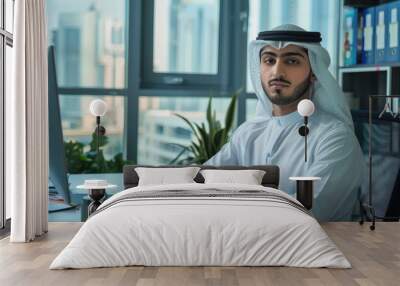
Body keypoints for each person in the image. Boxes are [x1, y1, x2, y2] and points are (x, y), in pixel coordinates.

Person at [205, 24, 365, 221]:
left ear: (314, 72)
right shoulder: (248, 133)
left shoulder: (335, 138)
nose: (277, 71)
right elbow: (203, 181)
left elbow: (305, 212)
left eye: (291, 61)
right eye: (269, 60)